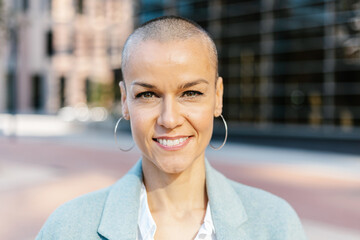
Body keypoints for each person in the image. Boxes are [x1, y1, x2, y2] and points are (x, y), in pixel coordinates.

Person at [36, 16, 307, 240]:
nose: (169, 119)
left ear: (218, 97)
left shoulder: (276, 224)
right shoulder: (66, 229)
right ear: (125, 102)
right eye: (148, 95)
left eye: (190, 93)